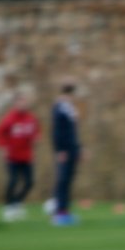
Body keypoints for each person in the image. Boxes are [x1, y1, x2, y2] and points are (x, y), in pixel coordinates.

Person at [0, 93, 41, 222]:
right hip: (12, 156)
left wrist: (36, 139)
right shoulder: (9, 119)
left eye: (25, 102)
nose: (23, 104)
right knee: (13, 181)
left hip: (26, 156)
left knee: (30, 182)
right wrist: (3, 148)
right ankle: (8, 206)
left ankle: (17, 203)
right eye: (20, 102)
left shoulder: (31, 118)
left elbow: (37, 131)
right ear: (15, 104)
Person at [50, 83, 81, 226]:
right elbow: (57, 132)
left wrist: (79, 148)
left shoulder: (70, 109)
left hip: (72, 150)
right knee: (62, 181)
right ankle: (58, 213)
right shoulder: (59, 108)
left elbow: (73, 133)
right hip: (64, 151)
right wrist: (60, 150)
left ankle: (65, 211)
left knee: (67, 181)